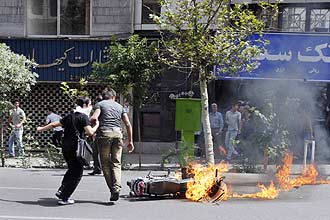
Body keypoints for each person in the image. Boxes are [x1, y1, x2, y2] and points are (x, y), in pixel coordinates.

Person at [37, 97, 99, 205]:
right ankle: (65, 197)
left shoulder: (70, 116)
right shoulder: (83, 117)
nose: (91, 107)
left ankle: (62, 189)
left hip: (65, 147)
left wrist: (41, 129)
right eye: (90, 105)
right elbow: (89, 132)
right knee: (77, 173)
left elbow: (53, 125)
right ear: (85, 105)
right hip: (76, 149)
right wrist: (97, 125)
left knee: (71, 169)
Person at [91, 88, 134, 202]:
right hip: (118, 134)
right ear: (114, 97)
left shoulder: (99, 104)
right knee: (116, 163)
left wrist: (93, 129)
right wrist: (130, 141)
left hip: (104, 135)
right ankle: (117, 188)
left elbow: (94, 118)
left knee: (105, 164)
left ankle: (113, 190)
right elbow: (128, 124)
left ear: (104, 96)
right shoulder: (119, 107)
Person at [88, 94, 103, 176]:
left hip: (98, 132)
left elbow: (93, 119)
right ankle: (97, 169)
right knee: (96, 152)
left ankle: (98, 168)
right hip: (100, 132)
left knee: (96, 152)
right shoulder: (106, 108)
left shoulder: (96, 108)